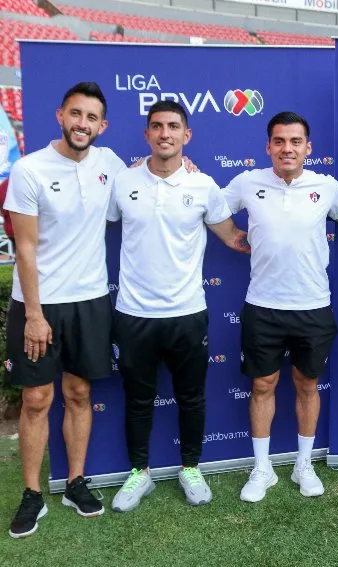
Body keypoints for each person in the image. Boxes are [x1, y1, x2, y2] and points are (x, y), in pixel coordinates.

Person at [108, 100, 249, 512]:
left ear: (186, 135)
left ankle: (191, 467)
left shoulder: (203, 185)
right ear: (147, 134)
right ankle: (140, 474)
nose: (164, 133)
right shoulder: (122, 181)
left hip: (187, 313)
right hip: (133, 314)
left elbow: (232, 237)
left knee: (191, 397)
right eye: (157, 126)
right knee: (137, 398)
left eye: (173, 127)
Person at [4, 82, 126, 538]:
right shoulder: (31, 169)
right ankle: (32, 495)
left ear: (102, 126)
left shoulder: (109, 163)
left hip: (91, 301)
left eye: (91, 118)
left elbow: (149, 175)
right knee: (37, 400)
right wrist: (34, 315)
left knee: (78, 394)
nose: (82, 124)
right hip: (38, 305)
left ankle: (75, 481)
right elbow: (26, 249)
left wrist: (183, 165)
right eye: (76, 114)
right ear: (60, 115)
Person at [226, 112, 338, 503]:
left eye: (295, 141)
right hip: (262, 306)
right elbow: (211, 209)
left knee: (307, 384)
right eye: (280, 141)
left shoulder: (327, 186)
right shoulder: (247, 183)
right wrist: (234, 237)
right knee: (262, 384)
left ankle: (304, 464)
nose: (288, 148)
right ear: (268, 146)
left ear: (308, 148)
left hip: (313, 305)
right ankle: (262, 468)